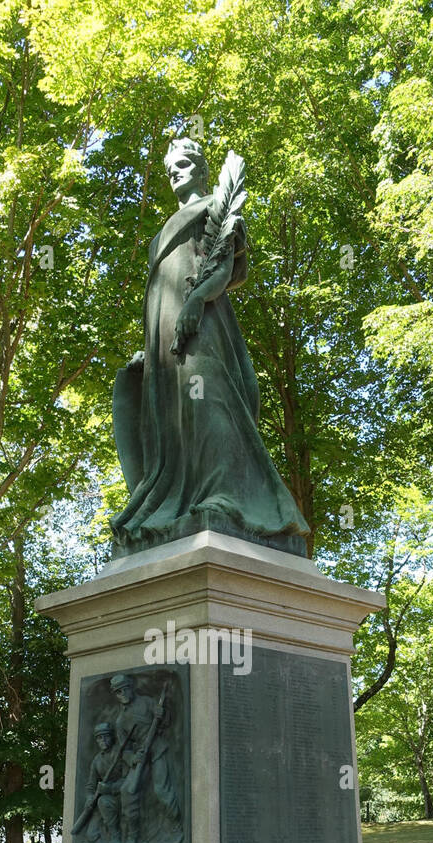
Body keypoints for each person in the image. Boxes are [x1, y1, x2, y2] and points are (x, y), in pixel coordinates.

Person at [110, 138, 310, 555]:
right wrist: (152, 347)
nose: (175, 172)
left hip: (203, 323)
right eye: (170, 169)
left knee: (209, 400)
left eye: (184, 164)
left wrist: (199, 300)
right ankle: (175, 502)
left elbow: (221, 267)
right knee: (174, 418)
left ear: (202, 169)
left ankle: (226, 495)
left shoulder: (210, 209)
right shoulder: (165, 226)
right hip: (166, 339)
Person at [110, 674, 183, 843]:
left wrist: (162, 714)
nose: (122, 694)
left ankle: (176, 827)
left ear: (131, 687)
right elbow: (123, 750)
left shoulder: (148, 702)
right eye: (118, 692)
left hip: (157, 749)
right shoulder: (120, 721)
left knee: (161, 790)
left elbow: (165, 723)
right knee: (128, 790)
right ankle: (132, 836)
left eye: (124, 689)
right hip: (140, 757)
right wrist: (132, 758)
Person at [80, 722, 124, 843]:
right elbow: (90, 786)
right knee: (91, 836)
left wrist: (111, 788)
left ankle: (116, 836)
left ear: (112, 737)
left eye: (106, 736)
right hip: (102, 802)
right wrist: (89, 798)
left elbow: (129, 779)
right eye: (99, 737)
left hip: (122, 796)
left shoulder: (120, 754)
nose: (103, 740)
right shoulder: (96, 761)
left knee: (104, 801)